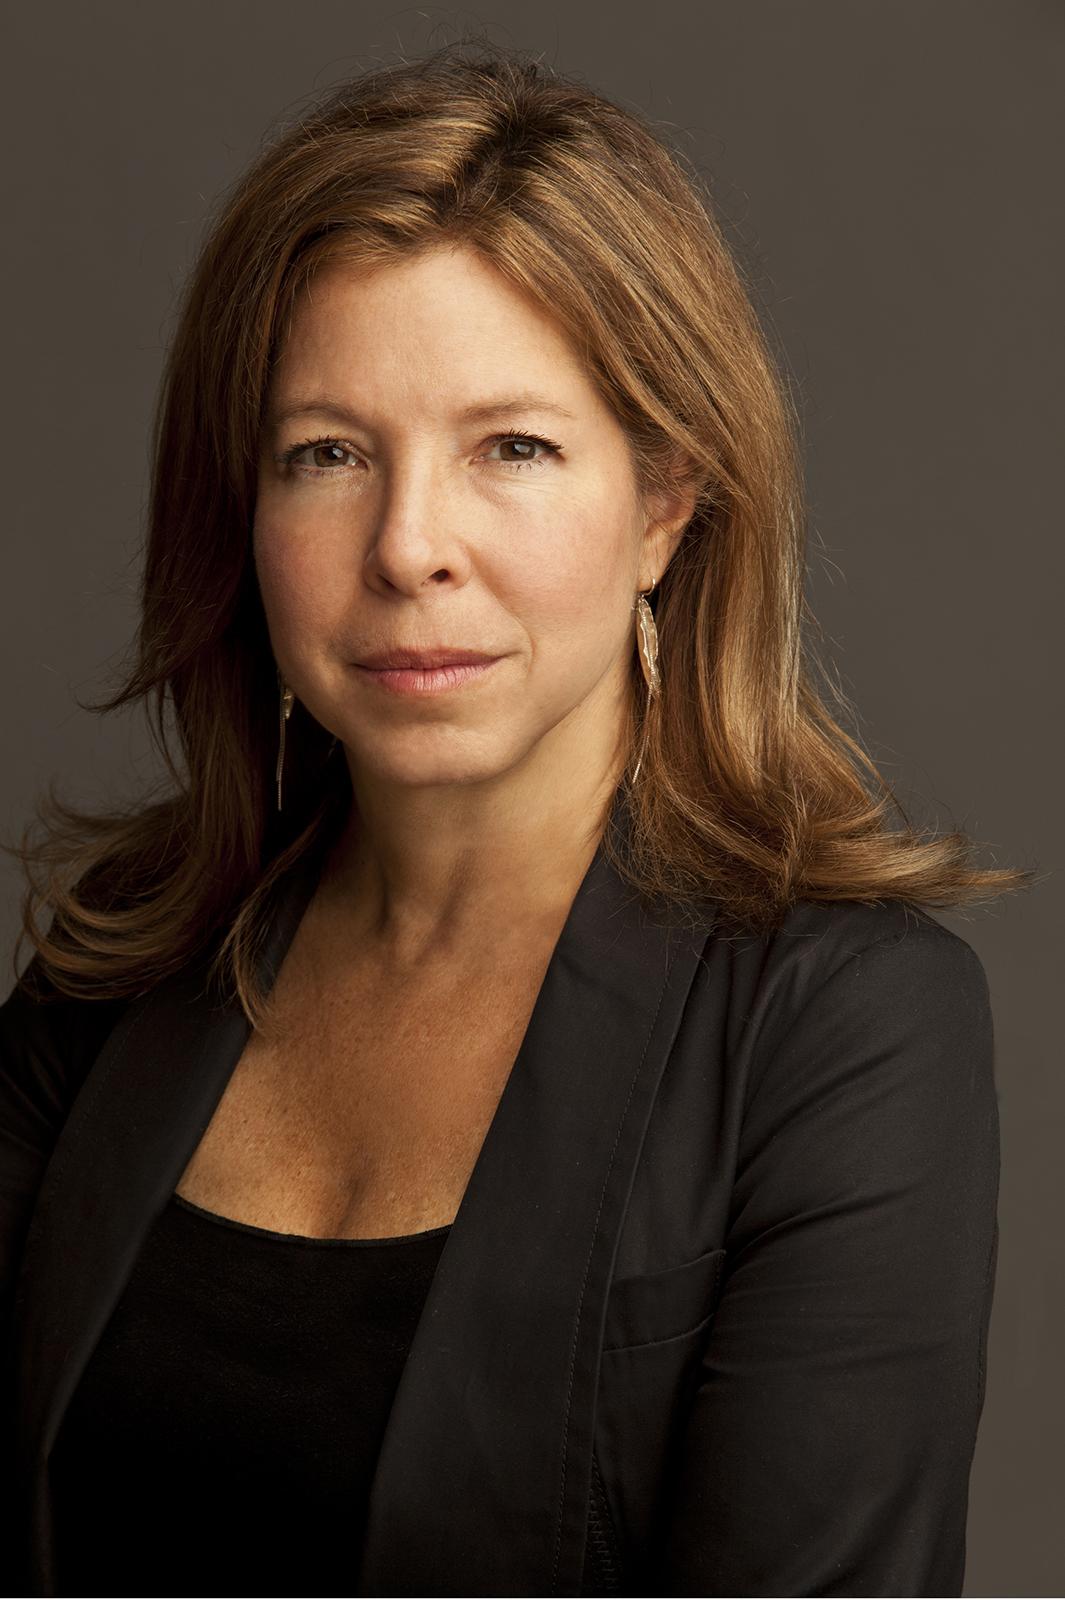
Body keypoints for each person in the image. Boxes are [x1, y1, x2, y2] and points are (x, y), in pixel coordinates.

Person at [0, 37, 1033, 1600]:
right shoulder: (113, 975)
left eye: (514, 449)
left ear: (666, 502)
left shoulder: (839, 1026)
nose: (409, 544)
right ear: (247, 512)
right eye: (328, 455)